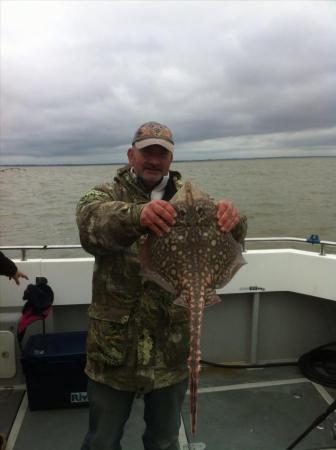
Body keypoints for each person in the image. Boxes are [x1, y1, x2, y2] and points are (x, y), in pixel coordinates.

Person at [76, 121, 247, 450]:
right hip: (115, 350)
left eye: (162, 154)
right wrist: (136, 217)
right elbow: (90, 224)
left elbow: (234, 238)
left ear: (171, 158)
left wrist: (235, 221)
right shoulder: (105, 194)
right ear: (131, 154)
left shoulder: (195, 200)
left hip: (170, 349)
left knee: (164, 441)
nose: (154, 160)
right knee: (102, 441)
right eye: (146, 153)